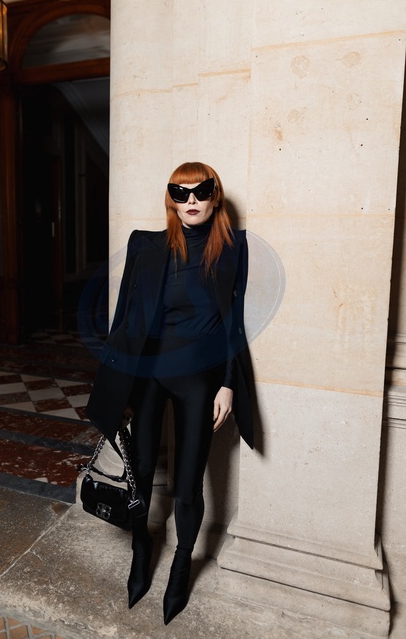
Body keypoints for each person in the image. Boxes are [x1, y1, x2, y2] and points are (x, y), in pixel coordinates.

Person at [86, 161, 256, 624]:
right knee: (141, 470)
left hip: (199, 380)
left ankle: (182, 566)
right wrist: (119, 382)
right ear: (171, 200)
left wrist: (227, 384)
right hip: (148, 375)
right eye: (180, 193)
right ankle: (142, 549)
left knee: (188, 480)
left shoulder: (233, 249)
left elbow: (233, 323)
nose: (191, 201)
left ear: (215, 196)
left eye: (201, 191)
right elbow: (125, 316)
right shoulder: (146, 244)